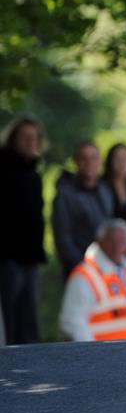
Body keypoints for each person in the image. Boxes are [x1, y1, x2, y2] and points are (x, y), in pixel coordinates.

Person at [59, 219, 126, 341]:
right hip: (106, 356)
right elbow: (71, 321)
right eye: (112, 242)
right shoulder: (84, 276)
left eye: (121, 242)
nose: (117, 247)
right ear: (100, 242)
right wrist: (94, 354)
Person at [0, 115, 47, 344]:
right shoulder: (3, 170)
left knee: (29, 321)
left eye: (34, 138)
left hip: (30, 259)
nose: (31, 142)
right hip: (8, 260)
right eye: (25, 137)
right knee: (9, 321)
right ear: (13, 138)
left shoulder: (34, 175)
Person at [52, 140, 114, 279]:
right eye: (83, 158)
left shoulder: (105, 190)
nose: (89, 163)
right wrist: (82, 268)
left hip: (105, 268)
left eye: (93, 158)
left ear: (100, 161)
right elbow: (63, 238)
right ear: (76, 162)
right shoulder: (65, 195)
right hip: (80, 270)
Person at [102, 143, 126, 224]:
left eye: (125, 159)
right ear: (110, 161)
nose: (122, 163)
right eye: (117, 159)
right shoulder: (102, 186)